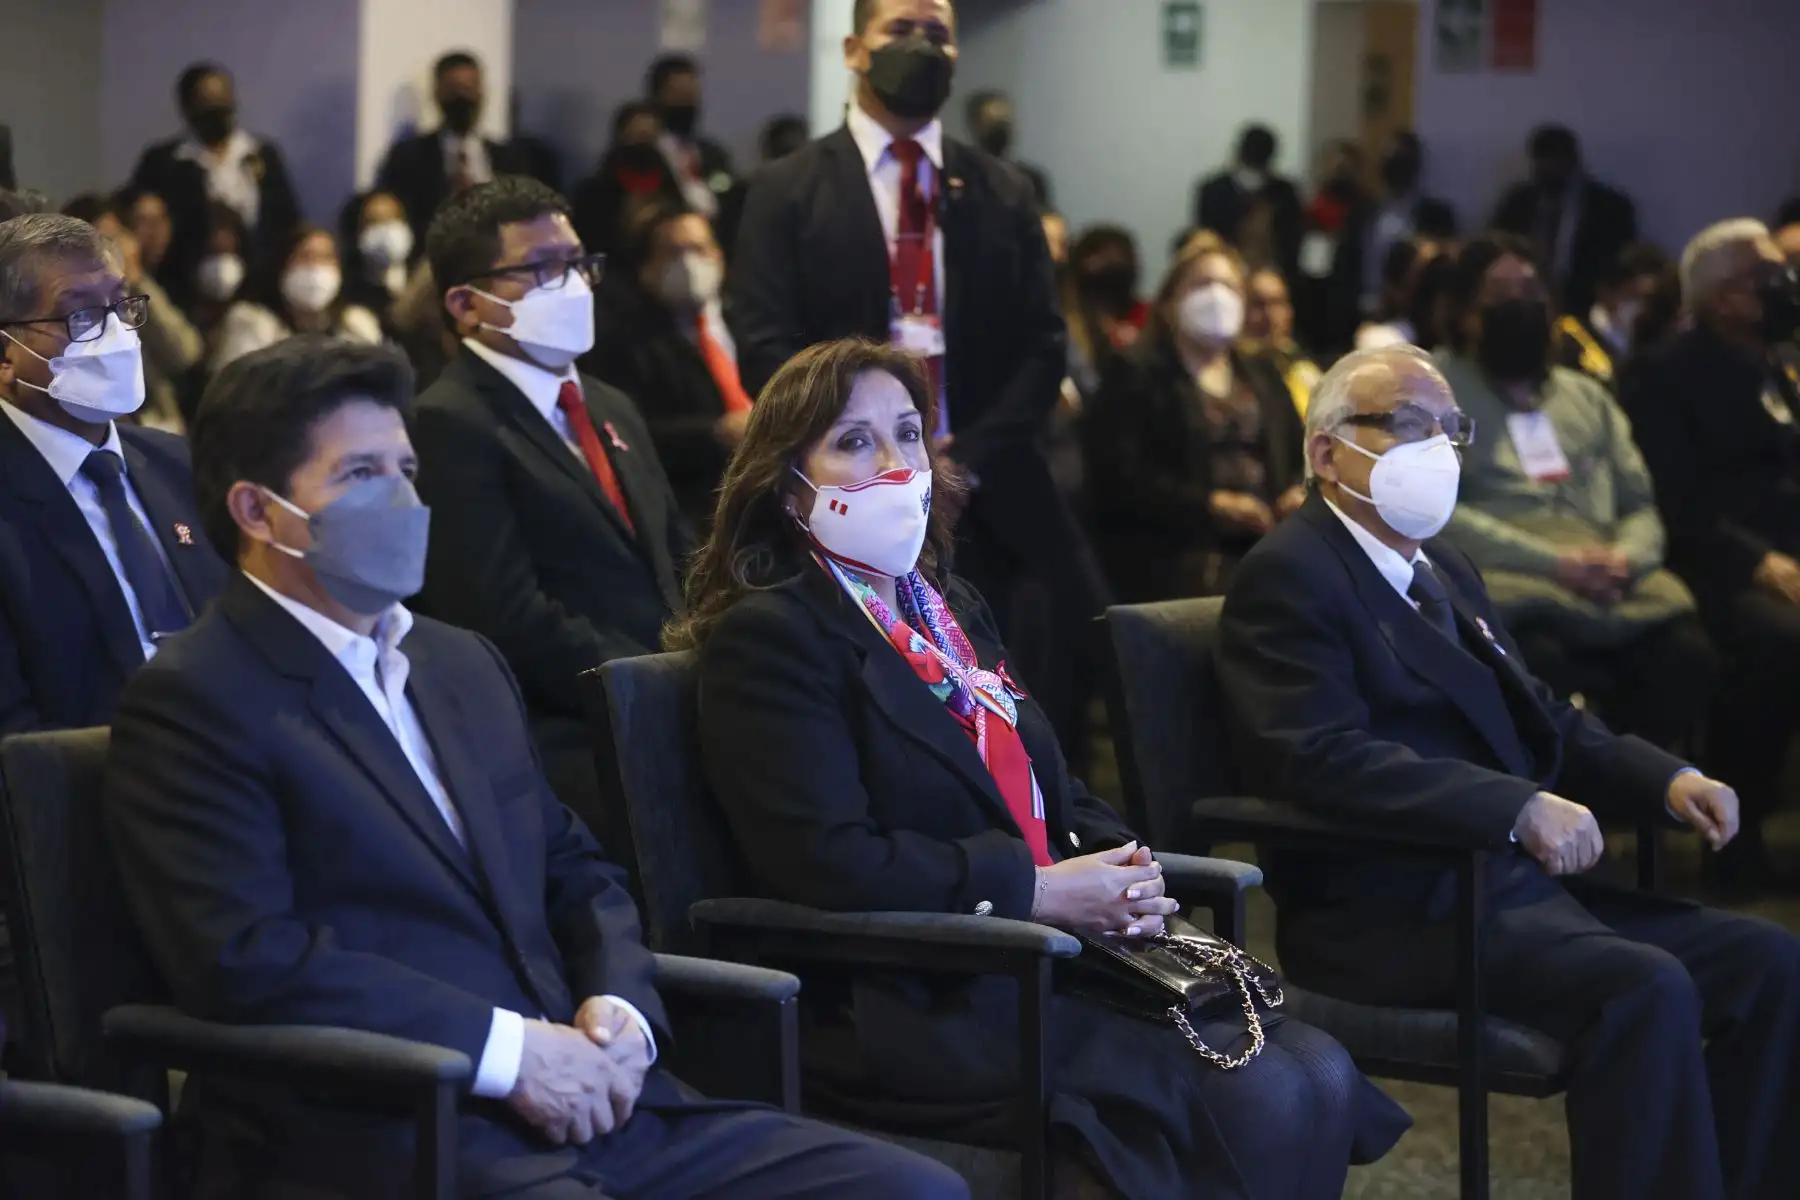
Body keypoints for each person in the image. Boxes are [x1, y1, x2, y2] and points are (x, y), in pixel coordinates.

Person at [102, 334, 965, 1200]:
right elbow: (249, 960)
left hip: (600, 1097)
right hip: (393, 1124)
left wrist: (620, 1013)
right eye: (362, 474)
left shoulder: (458, 663)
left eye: (406, 470)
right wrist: (508, 1053)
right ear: (258, 512)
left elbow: (575, 870)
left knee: (911, 1190)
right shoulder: (198, 697)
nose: (403, 498)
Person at [673, 336, 1408, 1199]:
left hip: (1049, 957)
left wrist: (1123, 865)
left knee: (1317, 1068)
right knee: (1265, 1091)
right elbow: (824, 862)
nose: (895, 465)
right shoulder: (771, 638)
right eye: (854, 441)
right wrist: (1034, 891)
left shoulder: (945, 606)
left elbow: (1048, 782)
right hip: (911, 989)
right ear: (786, 483)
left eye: (907, 434)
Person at [1217, 341, 1800, 1200]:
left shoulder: (1443, 565)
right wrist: (1513, 806)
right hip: (1392, 907)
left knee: (1770, 963)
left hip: (1505, 886)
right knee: (1645, 987)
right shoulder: (1290, 573)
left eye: (1449, 428)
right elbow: (1319, 756)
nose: (1436, 448)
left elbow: (1537, 712)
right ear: (1326, 453)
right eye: (1407, 423)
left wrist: (1663, 778)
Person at [728, 0, 1107, 760]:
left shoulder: (1002, 190)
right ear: (853, 49)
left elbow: (1043, 344)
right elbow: (763, 343)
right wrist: (869, 447)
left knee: (1058, 678)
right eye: (900, 31)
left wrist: (965, 456)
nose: (921, 47)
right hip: (846, 495)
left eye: (938, 35)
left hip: (992, 483)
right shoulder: (786, 187)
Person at [413, 177, 691, 836]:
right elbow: (502, 615)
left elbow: (675, 553)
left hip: (671, 705)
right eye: (541, 268)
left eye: (576, 263)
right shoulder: (447, 423)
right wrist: (654, 681)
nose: (571, 285)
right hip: (567, 739)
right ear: (466, 304)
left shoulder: (610, 404)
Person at [1433, 234, 1715, 750]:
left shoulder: (1586, 396)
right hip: (1511, 581)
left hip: (1609, 581)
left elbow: (1638, 503)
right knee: (1540, 660)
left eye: (1531, 290)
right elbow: (1439, 513)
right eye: (1501, 292)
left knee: (1686, 654)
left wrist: (1625, 559)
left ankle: (1640, 790)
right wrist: (1555, 564)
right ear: (1466, 312)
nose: (1520, 303)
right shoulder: (1435, 391)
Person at [1623, 218, 1800, 890]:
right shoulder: (1666, 373)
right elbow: (1675, 500)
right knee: (1780, 640)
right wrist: (1759, 563)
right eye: (1771, 277)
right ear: (1725, 296)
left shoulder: (1774, 363)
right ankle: (1735, 839)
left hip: (1782, 552)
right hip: (1711, 561)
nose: (1787, 288)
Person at [0, 213, 225, 733]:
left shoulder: (179, 463)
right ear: (6, 354)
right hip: (101, 771)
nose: (117, 335)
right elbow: (18, 746)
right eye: (80, 316)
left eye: (122, 306)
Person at [1085, 232, 1305, 602]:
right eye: (1202, 284)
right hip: (1174, 556)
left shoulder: (1263, 372)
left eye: (1229, 287)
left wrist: (1292, 492)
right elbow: (1118, 476)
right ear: (1169, 303)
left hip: (1265, 546)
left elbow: (1297, 449)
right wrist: (1210, 505)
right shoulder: (1134, 373)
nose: (1217, 296)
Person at [582, 203, 747, 530]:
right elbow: (631, 432)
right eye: (673, 253)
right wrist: (715, 432)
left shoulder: (748, 320)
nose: (689, 263)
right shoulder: (626, 344)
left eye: (699, 249)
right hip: (701, 508)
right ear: (646, 268)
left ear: (719, 254)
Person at [130, 62, 301, 311]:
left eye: (222, 98)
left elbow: (285, 221)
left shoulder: (262, 154)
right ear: (187, 106)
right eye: (206, 101)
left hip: (259, 288)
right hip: (185, 288)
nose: (217, 109)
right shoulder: (164, 162)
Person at [65, 194, 202, 433]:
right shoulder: (74, 307)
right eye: (102, 243)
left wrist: (137, 283)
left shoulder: (137, 287)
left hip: (161, 425)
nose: (113, 252)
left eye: (115, 239)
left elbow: (184, 352)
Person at [375, 51, 533, 246]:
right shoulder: (408, 158)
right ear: (437, 93)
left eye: (469, 89)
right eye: (454, 90)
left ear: (481, 92)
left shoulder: (510, 158)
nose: (463, 98)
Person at [1323, 130, 1457, 351]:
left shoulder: (1436, 216)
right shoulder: (1363, 211)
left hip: (1416, 325)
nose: (1396, 169)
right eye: (1390, 160)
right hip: (1361, 314)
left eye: (1403, 161)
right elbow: (1345, 265)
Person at [1491, 124, 1638, 316]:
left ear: (1573, 160)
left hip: (1589, 304)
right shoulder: (1517, 203)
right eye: (1544, 160)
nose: (1551, 168)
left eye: (1557, 160)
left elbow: (1622, 263)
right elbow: (1497, 249)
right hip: (1526, 305)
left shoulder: (1608, 208)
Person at [210, 225, 381, 372]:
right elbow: (236, 390)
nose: (316, 267)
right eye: (305, 257)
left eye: (326, 258)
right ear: (282, 266)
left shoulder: (355, 325)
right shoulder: (251, 322)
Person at [571, 102, 681, 258]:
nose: (643, 144)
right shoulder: (593, 192)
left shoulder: (669, 185)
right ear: (621, 136)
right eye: (639, 136)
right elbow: (590, 242)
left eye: (650, 137)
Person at [1194, 124, 1304, 280]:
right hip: (1224, 272)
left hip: (1270, 275)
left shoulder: (1285, 193)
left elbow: (1291, 244)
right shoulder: (1214, 191)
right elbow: (1207, 238)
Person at [1557, 242, 1669, 388]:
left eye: (1647, 300)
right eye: (1632, 295)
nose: (1638, 307)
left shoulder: (1647, 348)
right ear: (1606, 290)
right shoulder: (1575, 340)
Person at [645, 54, 738, 226]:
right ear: (657, 97)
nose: (687, 103)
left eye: (692, 94)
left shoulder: (713, 154)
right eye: (679, 95)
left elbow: (727, 192)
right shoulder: (646, 155)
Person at [1241, 265, 1320, 415]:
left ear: (1289, 312)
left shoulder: (1305, 373)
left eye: (1277, 303)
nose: (1269, 315)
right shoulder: (1233, 375)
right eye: (1258, 304)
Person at [339, 189, 414, 332]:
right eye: (374, 222)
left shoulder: (423, 278)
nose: (385, 231)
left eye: (391, 219)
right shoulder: (350, 290)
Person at [964, 88, 1051, 207]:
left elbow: (1044, 215)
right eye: (994, 124)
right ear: (975, 125)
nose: (1001, 132)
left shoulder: (1031, 179)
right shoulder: (963, 177)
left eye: (1005, 124)